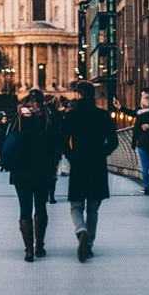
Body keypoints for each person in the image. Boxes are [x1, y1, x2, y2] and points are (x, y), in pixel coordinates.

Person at [62, 81, 119, 262]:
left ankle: (81, 230)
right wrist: (102, 152)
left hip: (79, 164)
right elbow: (114, 141)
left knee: (76, 205)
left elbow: (62, 140)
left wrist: (72, 156)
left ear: (78, 95)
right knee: (93, 208)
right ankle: (89, 244)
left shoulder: (72, 116)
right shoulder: (102, 116)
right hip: (97, 165)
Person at [9, 89, 59, 262]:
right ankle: (39, 246)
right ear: (41, 102)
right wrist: (53, 167)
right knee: (40, 207)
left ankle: (28, 250)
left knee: (24, 209)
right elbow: (55, 145)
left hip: (21, 171)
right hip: (42, 171)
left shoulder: (18, 119)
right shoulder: (47, 118)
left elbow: (7, 140)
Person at [114, 88, 149, 194]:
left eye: (142, 96)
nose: (141, 97)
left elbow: (136, 130)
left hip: (142, 143)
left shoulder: (140, 114)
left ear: (147, 97)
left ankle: (146, 187)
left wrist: (133, 143)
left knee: (144, 167)